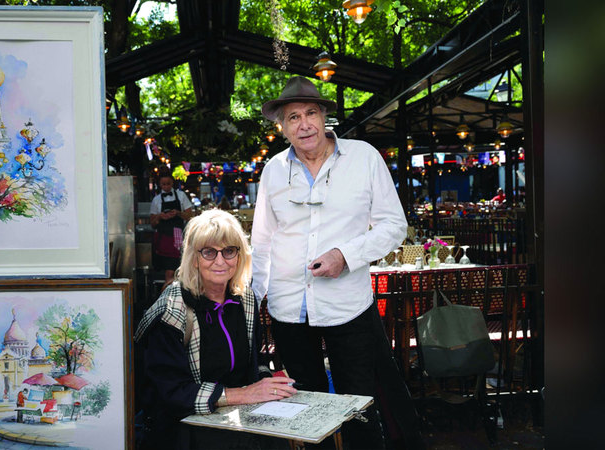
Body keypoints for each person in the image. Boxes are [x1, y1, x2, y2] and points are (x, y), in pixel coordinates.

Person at [251, 76, 423, 449]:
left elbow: (395, 225)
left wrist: (345, 256)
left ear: (325, 116)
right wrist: (252, 298)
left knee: (358, 405)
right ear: (282, 127)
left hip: (347, 305)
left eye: (311, 113)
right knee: (305, 409)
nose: (304, 124)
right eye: (293, 117)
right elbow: (262, 241)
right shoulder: (273, 170)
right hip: (288, 308)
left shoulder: (363, 157)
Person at [135, 209, 296, 450]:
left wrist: (270, 386)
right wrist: (244, 394)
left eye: (229, 251)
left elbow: (255, 364)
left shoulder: (246, 300)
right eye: (209, 252)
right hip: (183, 425)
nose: (220, 261)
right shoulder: (173, 308)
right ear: (194, 257)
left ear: (240, 256)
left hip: (236, 418)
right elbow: (169, 392)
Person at [150, 171, 194, 285]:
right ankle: (169, 295)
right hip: (164, 238)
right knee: (169, 271)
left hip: (179, 236)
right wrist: (160, 216)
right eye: (163, 184)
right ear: (160, 184)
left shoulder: (181, 195)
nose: (166, 187)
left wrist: (178, 213)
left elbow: (190, 216)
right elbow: (153, 223)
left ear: (172, 183)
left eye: (168, 184)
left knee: (179, 269)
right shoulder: (156, 200)